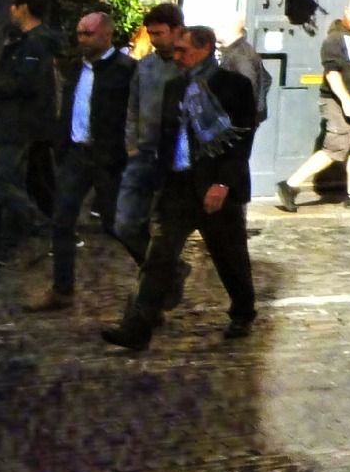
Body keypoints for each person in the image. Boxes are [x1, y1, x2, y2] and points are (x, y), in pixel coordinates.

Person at [103, 24, 259, 351]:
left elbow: (241, 140)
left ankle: (243, 312)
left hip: (216, 188)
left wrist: (222, 183)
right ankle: (137, 328)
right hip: (178, 186)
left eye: (183, 50)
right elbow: (167, 137)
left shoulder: (233, 86)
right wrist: (157, 182)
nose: (176, 56)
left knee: (229, 256)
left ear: (204, 48)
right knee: (159, 258)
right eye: (175, 50)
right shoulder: (175, 87)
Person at [33, 9, 136, 313]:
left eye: (88, 34)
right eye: (79, 33)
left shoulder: (126, 69)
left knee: (115, 224)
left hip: (109, 157)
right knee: (62, 220)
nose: (82, 39)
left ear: (106, 34)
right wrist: (61, 143)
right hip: (77, 152)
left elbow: (134, 113)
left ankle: (163, 270)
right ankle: (62, 289)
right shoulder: (76, 68)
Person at [0, 0, 62, 264]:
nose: (10, 10)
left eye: (14, 6)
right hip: (12, 122)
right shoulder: (25, 41)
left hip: (16, 124)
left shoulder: (35, 44)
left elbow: (25, 84)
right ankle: (8, 245)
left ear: (24, 9)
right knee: (10, 181)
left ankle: (38, 223)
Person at [274, 0, 350, 211]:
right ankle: (289, 185)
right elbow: (332, 74)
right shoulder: (335, 39)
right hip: (337, 101)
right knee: (335, 148)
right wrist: (347, 101)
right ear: (346, 11)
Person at [115, 5, 186, 249]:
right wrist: (131, 144)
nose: (154, 40)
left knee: (167, 226)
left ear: (177, 30)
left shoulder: (188, 66)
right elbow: (133, 106)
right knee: (124, 224)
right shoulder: (145, 66)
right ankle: (159, 270)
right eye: (151, 34)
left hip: (175, 157)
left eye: (159, 33)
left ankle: (159, 276)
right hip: (143, 153)